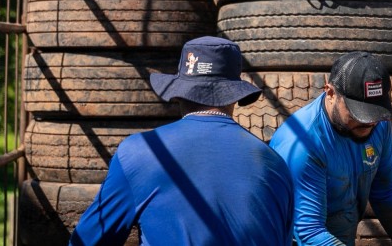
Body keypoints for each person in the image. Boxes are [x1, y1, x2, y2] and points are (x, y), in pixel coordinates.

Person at [69, 36, 294, 246]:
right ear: (235, 96)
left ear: (177, 94)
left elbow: (88, 241)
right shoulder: (274, 164)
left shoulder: (140, 152)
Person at [269, 51, 392, 246]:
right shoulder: (303, 144)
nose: (370, 123)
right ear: (331, 94)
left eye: (375, 113)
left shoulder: (378, 125)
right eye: (359, 113)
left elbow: (386, 192)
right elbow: (309, 232)